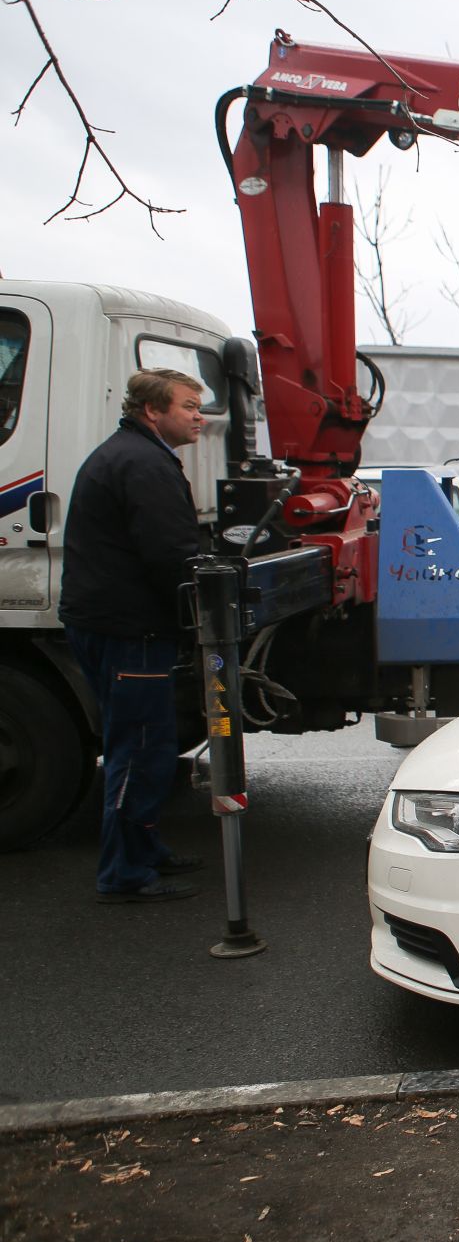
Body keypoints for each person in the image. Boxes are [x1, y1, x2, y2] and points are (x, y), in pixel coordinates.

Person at [59, 368, 209, 903]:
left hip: (116, 623)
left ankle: (145, 849)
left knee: (151, 746)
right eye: (189, 406)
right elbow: (171, 555)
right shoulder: (144, 464)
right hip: (130, 629)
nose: (199, 416)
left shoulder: (133, 454)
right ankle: (123, 873)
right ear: (153, 410)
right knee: (139, 750)